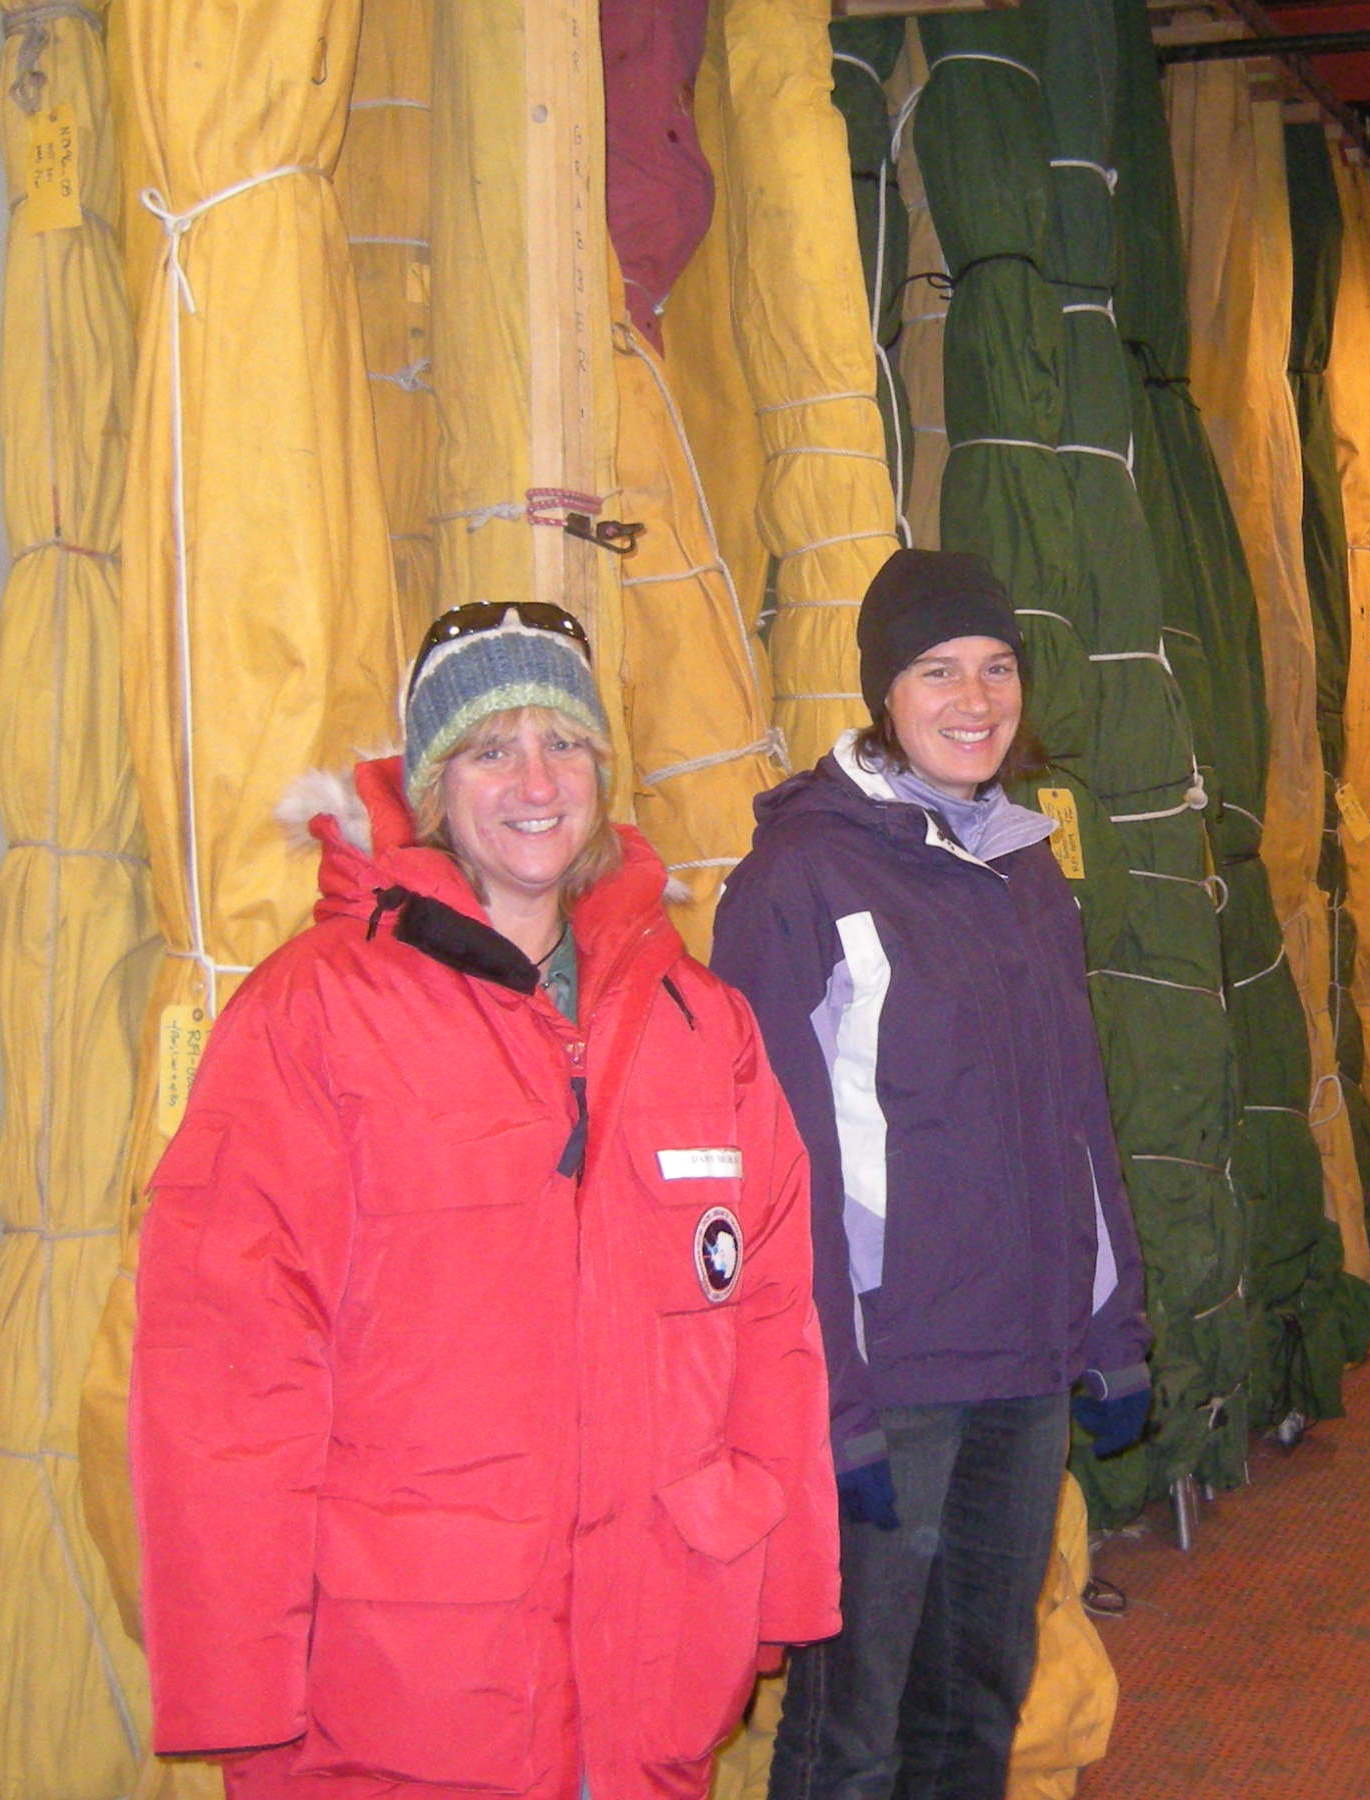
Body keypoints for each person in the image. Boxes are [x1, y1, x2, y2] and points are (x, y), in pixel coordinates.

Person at [130, 601, 840, 1800]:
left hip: (649, 1667)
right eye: (488, 748)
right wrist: (237, 1683)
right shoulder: (316, 1017)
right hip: (400, 1688)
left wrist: (769, 1588)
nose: (534, 781)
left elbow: (772, 1329)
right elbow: (225, 1372)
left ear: (603, 774)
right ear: (431, 784)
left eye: (562, 743)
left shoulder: (697, 1024)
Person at [712, 548, 1151, 1800]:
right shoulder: (801, 879)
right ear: (883, 695)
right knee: (850, 1737)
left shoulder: (1025, 871)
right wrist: (823, 1409)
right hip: (888, 1386)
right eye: (938, 670)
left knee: (977, 1712)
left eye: (999, 668)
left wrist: (1110, 1328)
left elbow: (1079, 1120)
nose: (976, 698)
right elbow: (771, 1170)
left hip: (1019, 1375)